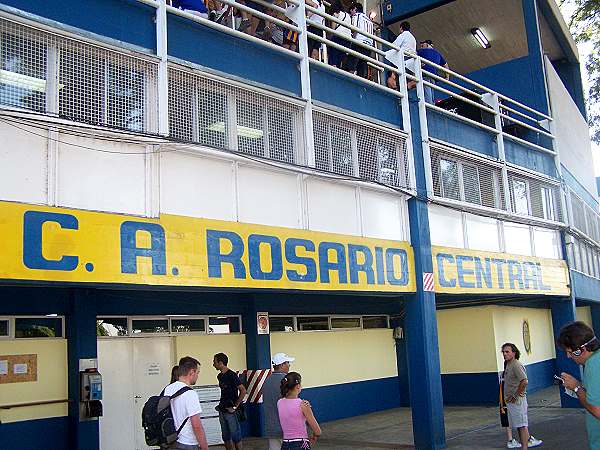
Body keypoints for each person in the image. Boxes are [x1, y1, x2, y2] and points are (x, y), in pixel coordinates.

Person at [557, 321, 600, 449]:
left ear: (581, 350)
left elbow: (597, 410)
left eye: (570, 352)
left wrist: (576, 387)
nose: (568, 356)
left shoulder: (593, 364)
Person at [501, 343, 543, 449]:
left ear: (514, 353)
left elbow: (524, 381)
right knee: (518, 426)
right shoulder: (508, 364)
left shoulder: (516, 365)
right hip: (510, 401)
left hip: (517, 401)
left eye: (507, 352)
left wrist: (515, 395)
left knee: (522, 425)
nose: (504, 354)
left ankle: (525, 447)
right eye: (503, 352)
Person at [163, 356, 209, 450]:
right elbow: (197, 426)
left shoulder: (168, 389)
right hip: (188, 443)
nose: (197, 376)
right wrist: (205, 448)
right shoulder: (190, 394)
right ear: (191, 372)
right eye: (197, 372)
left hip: (172, 440)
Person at [277, 372, 321, 450]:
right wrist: (315, 436)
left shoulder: (279, 402)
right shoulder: (303, 405)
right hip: (300, 444)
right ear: (297, 386)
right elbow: (317, 431)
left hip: (285, 444)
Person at [214, 352, 247, 450]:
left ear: (221, 363)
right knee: (225, 436)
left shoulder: (232, 375)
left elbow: (243, 390)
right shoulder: (219, 376)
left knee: (236, 435)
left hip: (231, 410)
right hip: (222, 409)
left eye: (214, 362)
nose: (213, 364)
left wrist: (235, 407)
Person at [262, 353, 296, 450]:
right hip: (287, 429)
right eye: (287, 363)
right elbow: (291, 405)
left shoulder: (267, 380)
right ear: (281, 365)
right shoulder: (286, 381)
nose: (289, 365)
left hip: (272, 428)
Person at [345, 2, 373, 79]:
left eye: (351, 11)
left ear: (355, 9)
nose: (351, 14)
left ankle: (348, 80)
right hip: (369, 46)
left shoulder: (357, 16)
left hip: (359, 42)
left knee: (351, 64)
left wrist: (352, 40)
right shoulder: (370, 20)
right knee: (362, 67)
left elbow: (355, 29)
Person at [416, 40, 449, 104]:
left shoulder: (423, 51)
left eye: (423, 45)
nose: (421, 47)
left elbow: (412, 53)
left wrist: (420, 63)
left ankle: (429, 110)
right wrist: (447, 77)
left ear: (427, 44)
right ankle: (432, 108)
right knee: (431, 95)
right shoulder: (438, 54)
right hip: (433, 77)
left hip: (425, 75)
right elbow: (446, 65)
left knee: (427, 96)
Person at [327, 0, 352, 69]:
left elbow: (333, 28)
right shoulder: (348, 15)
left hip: (338, 37)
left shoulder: (335, 14)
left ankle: (332, 69)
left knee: (333, 56)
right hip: (347, 39)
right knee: (341, 58)